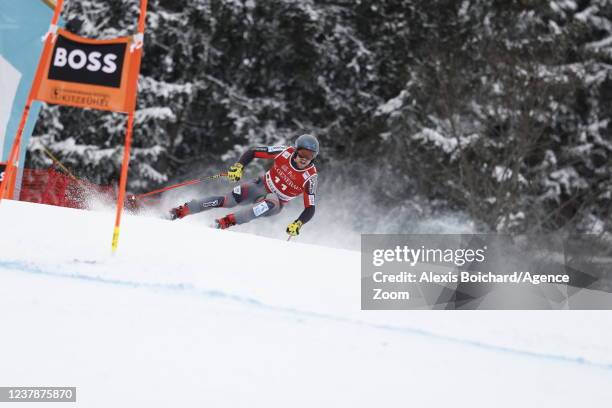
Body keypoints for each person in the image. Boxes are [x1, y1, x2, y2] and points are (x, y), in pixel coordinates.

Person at [169, 134, 319, 237]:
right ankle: (181, 211)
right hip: (260, 186)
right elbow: (253, 151)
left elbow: (310, 207)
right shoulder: (284, 152)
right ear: (295, 150)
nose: (304, 159)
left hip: (276, 202)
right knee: (228, 201)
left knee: (269, 201)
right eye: (302, 154)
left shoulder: (310, 177)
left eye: (310, 156)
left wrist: (298, 223)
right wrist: (239, 166)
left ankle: (224, 223)